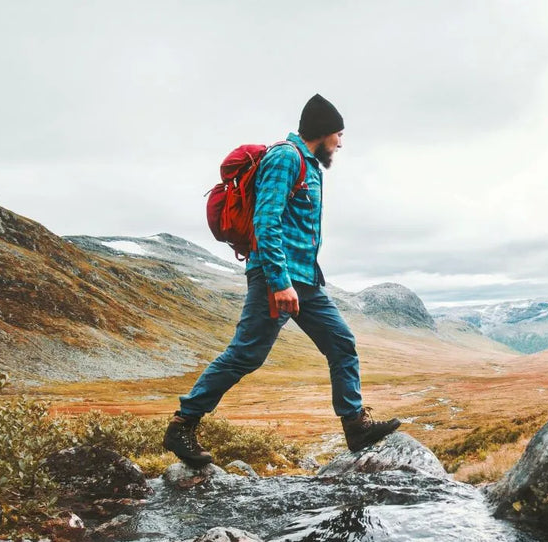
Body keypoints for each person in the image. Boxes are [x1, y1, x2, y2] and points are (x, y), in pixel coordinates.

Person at [163, 94, 401, 467]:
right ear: (322, 133)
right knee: (246, 354)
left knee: (341, 343)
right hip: (277, 277)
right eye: (338, 134)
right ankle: (182, 424)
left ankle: (355, 426)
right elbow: (265, 221)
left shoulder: (310, 165)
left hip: (306, 280)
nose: (341, 142)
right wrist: (279, 281)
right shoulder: (285, 157)